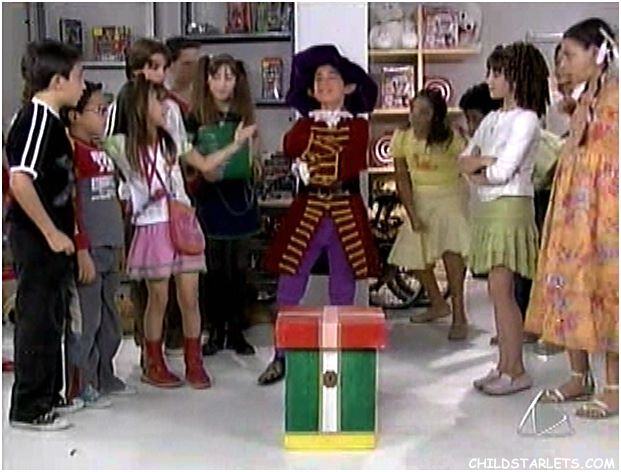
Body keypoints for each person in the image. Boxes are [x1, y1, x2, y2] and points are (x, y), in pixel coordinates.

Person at [103, 75, 256, 388]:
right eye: (156, 101)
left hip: (182, 220)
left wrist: (236, 143)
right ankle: (154, 362)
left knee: (190, 297)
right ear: (138, 106)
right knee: (158, 298)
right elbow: (103, 136)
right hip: (151, 225)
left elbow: (205, 164)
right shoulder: (121, 144)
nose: (165, 107)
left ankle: (194, 362)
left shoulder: (172, 140)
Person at [258, 44, 380, 385]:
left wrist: (314, 152)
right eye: (319, 78)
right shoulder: (304, 125)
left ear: (349, 87)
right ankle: (281, 355)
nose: (325, 83)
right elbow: (290, 147)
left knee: (343, 285)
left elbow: (350, 162)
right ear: (311, 91)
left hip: (344, 211)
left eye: (332, 77)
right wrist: (313, 141)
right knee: (290, 283)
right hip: (308, 210)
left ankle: (336, 354)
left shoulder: (358, 127)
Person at [525, 18, 618, 419]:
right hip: (572, 203)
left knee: (606, 284)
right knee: (568, 280)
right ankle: (578, 375)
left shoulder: (615, 95)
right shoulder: (582, 97)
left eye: (569, 54)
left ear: (597, 54)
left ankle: (614, 386)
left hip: (605, 205)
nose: (561, 63)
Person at [459, 41, 550, 395]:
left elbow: (503, 171)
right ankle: (504, 365)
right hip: (489, 207)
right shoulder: (493, 118)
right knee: (496, 290)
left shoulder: (527, 119)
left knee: (502, 288)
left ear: (516, 76)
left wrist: (482, 168)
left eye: (497, 73)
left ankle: (515, 369)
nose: (490, 79)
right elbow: (465, 160)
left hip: (511, 207)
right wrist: (483, 165)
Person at [6, 39, 85, 430]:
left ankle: (49, 395)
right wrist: (51, 232)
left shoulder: (55, 121)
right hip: (36, 237)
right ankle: (28, 407)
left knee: (52, 318)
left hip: (54, 239)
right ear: (58, 81)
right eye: (79, 77)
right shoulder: (35, 118)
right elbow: (20, 180)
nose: (83, 86)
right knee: (36, 319)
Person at [105, 37, 187, 360]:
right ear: (135, 69)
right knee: (147, 281)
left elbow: (179, 152)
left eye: (163, 67)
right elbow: (112, 151)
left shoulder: (171, 107)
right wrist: (133, 184)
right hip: (139, 205)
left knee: (178, 276)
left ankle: (172, 338)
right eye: (153, 67)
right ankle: (147, 346)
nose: (159, 74)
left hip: (174, 202)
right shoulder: (121, 106)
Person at [61, 81, 134, 408]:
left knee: (110, 320)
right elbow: (72, 204)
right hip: (88, 251)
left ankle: (105, 375)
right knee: (86, 321)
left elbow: (115, 197)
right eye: (99, 110)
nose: (104, 117)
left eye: (107, 110)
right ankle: (81, 383)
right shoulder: (71, 151)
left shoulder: (104, 151)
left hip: (110, 245)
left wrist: (121, 243)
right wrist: (81, 248)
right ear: (75, 115)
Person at [186, 54, 260, 356]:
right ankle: (215, 331)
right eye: (216, 76)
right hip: (210, 198)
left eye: (229, 77)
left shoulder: (245, 115)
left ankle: (237, 331)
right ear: (207, 80)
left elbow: (255, 156)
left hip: (240, 198)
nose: (222, 84)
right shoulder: (195, 116)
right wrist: (201, 172)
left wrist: (254, 162)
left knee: (239, 268)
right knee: (213, 268)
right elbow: (186, 160)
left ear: (237, 81)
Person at [388, 89, 469, 340]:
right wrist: (411, 212)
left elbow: (468, 162)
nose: (416, 116)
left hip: (449, 196)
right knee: (413, 254)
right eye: (414, 110)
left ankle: (459, 316)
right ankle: (437, 303)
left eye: (424, 112)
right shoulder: (402, 137)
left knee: (452, 253)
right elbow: (401, 177)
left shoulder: (451, 138)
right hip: (420, 197)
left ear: (436, 116)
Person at [165, 36, 201, 116]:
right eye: (187, 64)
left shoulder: (205, 93)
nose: (195, 68)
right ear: (170, 64)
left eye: (197, 63)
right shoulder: (160, 97)